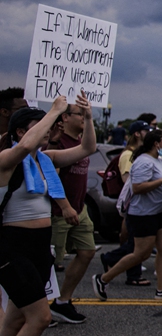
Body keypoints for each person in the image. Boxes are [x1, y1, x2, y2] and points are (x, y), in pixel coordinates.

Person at [0, 96, 77, 336]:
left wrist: (89, 116)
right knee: (41, 318)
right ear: (20, 131)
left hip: (40, 246)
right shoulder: (5, 159)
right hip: (12, 245)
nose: (47, 128)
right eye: (40, 124)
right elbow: (23, 147)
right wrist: (54, 111)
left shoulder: (44, 160)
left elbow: (87, 149)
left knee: (15, 321)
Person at [95, 128, 162, 297]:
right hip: (143, 213)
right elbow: (138, 187)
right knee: (141, 253)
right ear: (156, 144)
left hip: (160, 210)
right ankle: (103, 278)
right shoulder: (144, 162)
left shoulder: (159, 160)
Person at [45, 98, 99, 324]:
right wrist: (65, 206)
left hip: (79, 209)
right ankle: (36, 310)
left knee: (86, 252)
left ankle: (62, 302)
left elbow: (91, 146)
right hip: (59, 213)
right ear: (64, 117)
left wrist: (88, 116)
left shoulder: (80, 141)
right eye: (79, 114)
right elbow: (51, 179)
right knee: (46, 265)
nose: (83, 118)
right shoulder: (57, 145)